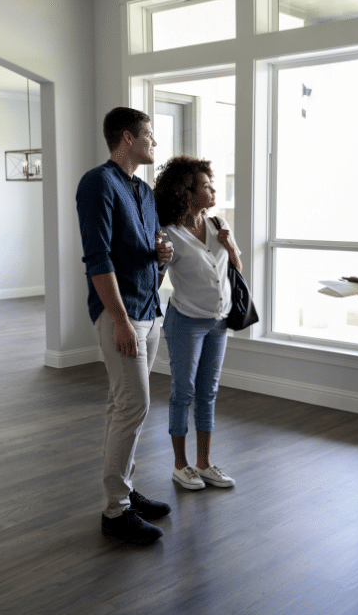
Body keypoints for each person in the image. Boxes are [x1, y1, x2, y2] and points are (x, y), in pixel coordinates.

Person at [76, 107, 175, 544]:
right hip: (122, 315)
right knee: (133, 404)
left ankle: (126, 492)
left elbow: (146, 253)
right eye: (148, 135)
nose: (154, 142)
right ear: (126, 138)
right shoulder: (98, 183)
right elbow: (98, 259)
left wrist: (162, 257)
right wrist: (118, 320)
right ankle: (115, 512)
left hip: (149, 310)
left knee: (124, 406)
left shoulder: (144, 191)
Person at [153, 156, 240, 491]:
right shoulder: (170, 233)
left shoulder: (219, 224)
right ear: (187, 193)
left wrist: (231, 245)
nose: (213, 189)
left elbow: (237, 270)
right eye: (206, 185)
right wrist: (158, 257)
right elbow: (157, 279)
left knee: (208, 393)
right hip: (186, 322)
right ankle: (180, 465)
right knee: (183, 392)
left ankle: (204, 464)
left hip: (218, 323)